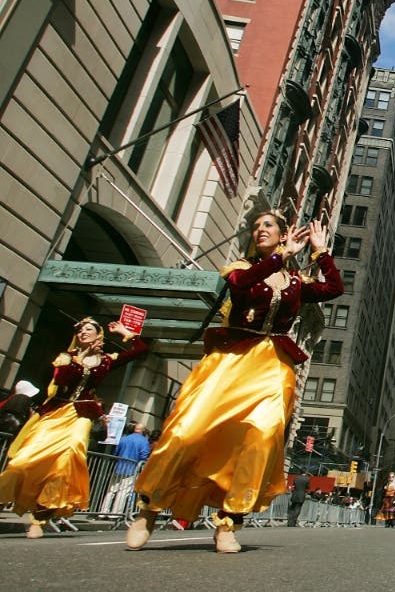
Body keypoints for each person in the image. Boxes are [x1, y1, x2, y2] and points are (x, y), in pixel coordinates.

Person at [126, 212, 342, 553]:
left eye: (268, 226)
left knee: (262, 436)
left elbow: (334, 288)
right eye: (256, 227)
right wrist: (278, 257)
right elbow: (241, 287)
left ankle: (229, 523)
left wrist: (319, 252)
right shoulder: (239, 268)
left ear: (284, 233)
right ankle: (149, 511)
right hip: (228, 361)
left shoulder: (297, 282)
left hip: (272, 366)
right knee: (188, 431)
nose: (260, 230)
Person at [0, 318, 146, 538]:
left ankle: (39, 519)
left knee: (67, 458)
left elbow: (141, 349)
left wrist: (126, 332)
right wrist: (77, 358)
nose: (83, 333)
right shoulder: (67, 357)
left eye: (89, 330)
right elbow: (60, 379)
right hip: (54, 413)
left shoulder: (106, 360)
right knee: (23, 461)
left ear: (99, 336)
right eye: (80, 330)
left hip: (79, 416)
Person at [100, 422, 152, 517]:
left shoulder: (124, 438)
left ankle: (103, 512)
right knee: (123, 492)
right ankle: (115, 514)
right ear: (143, 431)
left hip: (118, 467)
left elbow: (116, 452)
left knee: (111, 490)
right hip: (132, 469)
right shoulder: (144, 442)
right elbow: (144, 456)